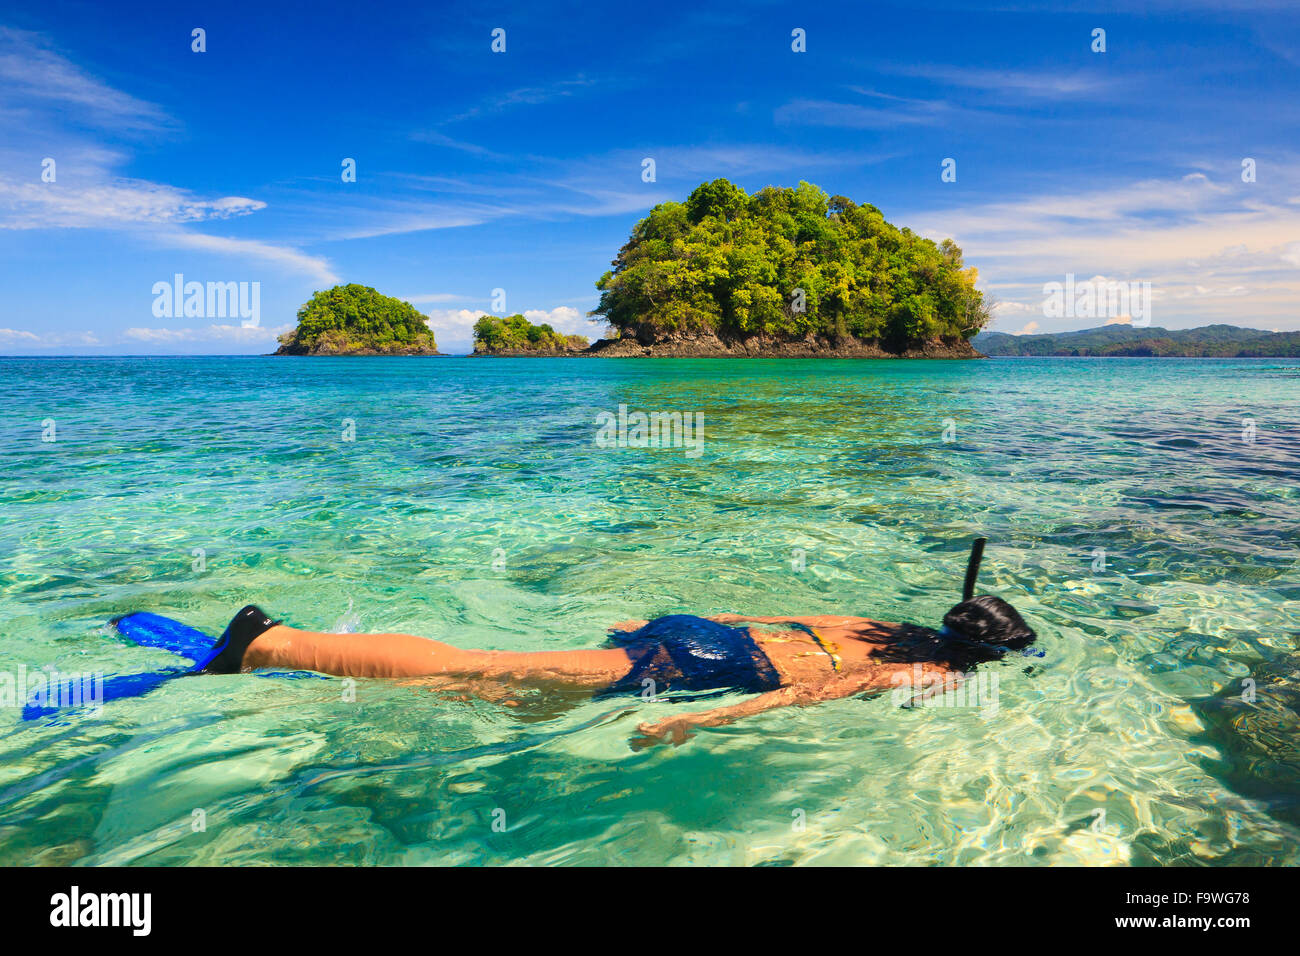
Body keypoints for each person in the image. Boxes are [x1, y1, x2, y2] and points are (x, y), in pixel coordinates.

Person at [199, 596, 1038, 747]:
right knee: (488, 663)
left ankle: (285, 651)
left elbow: (775, 619)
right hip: (710, 663)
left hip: (703, 632)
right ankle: (268, 643)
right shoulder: (936, 674)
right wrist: (697, 719)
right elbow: (812, 692)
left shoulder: (884, 625)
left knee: (505, 685)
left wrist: (665, 621)